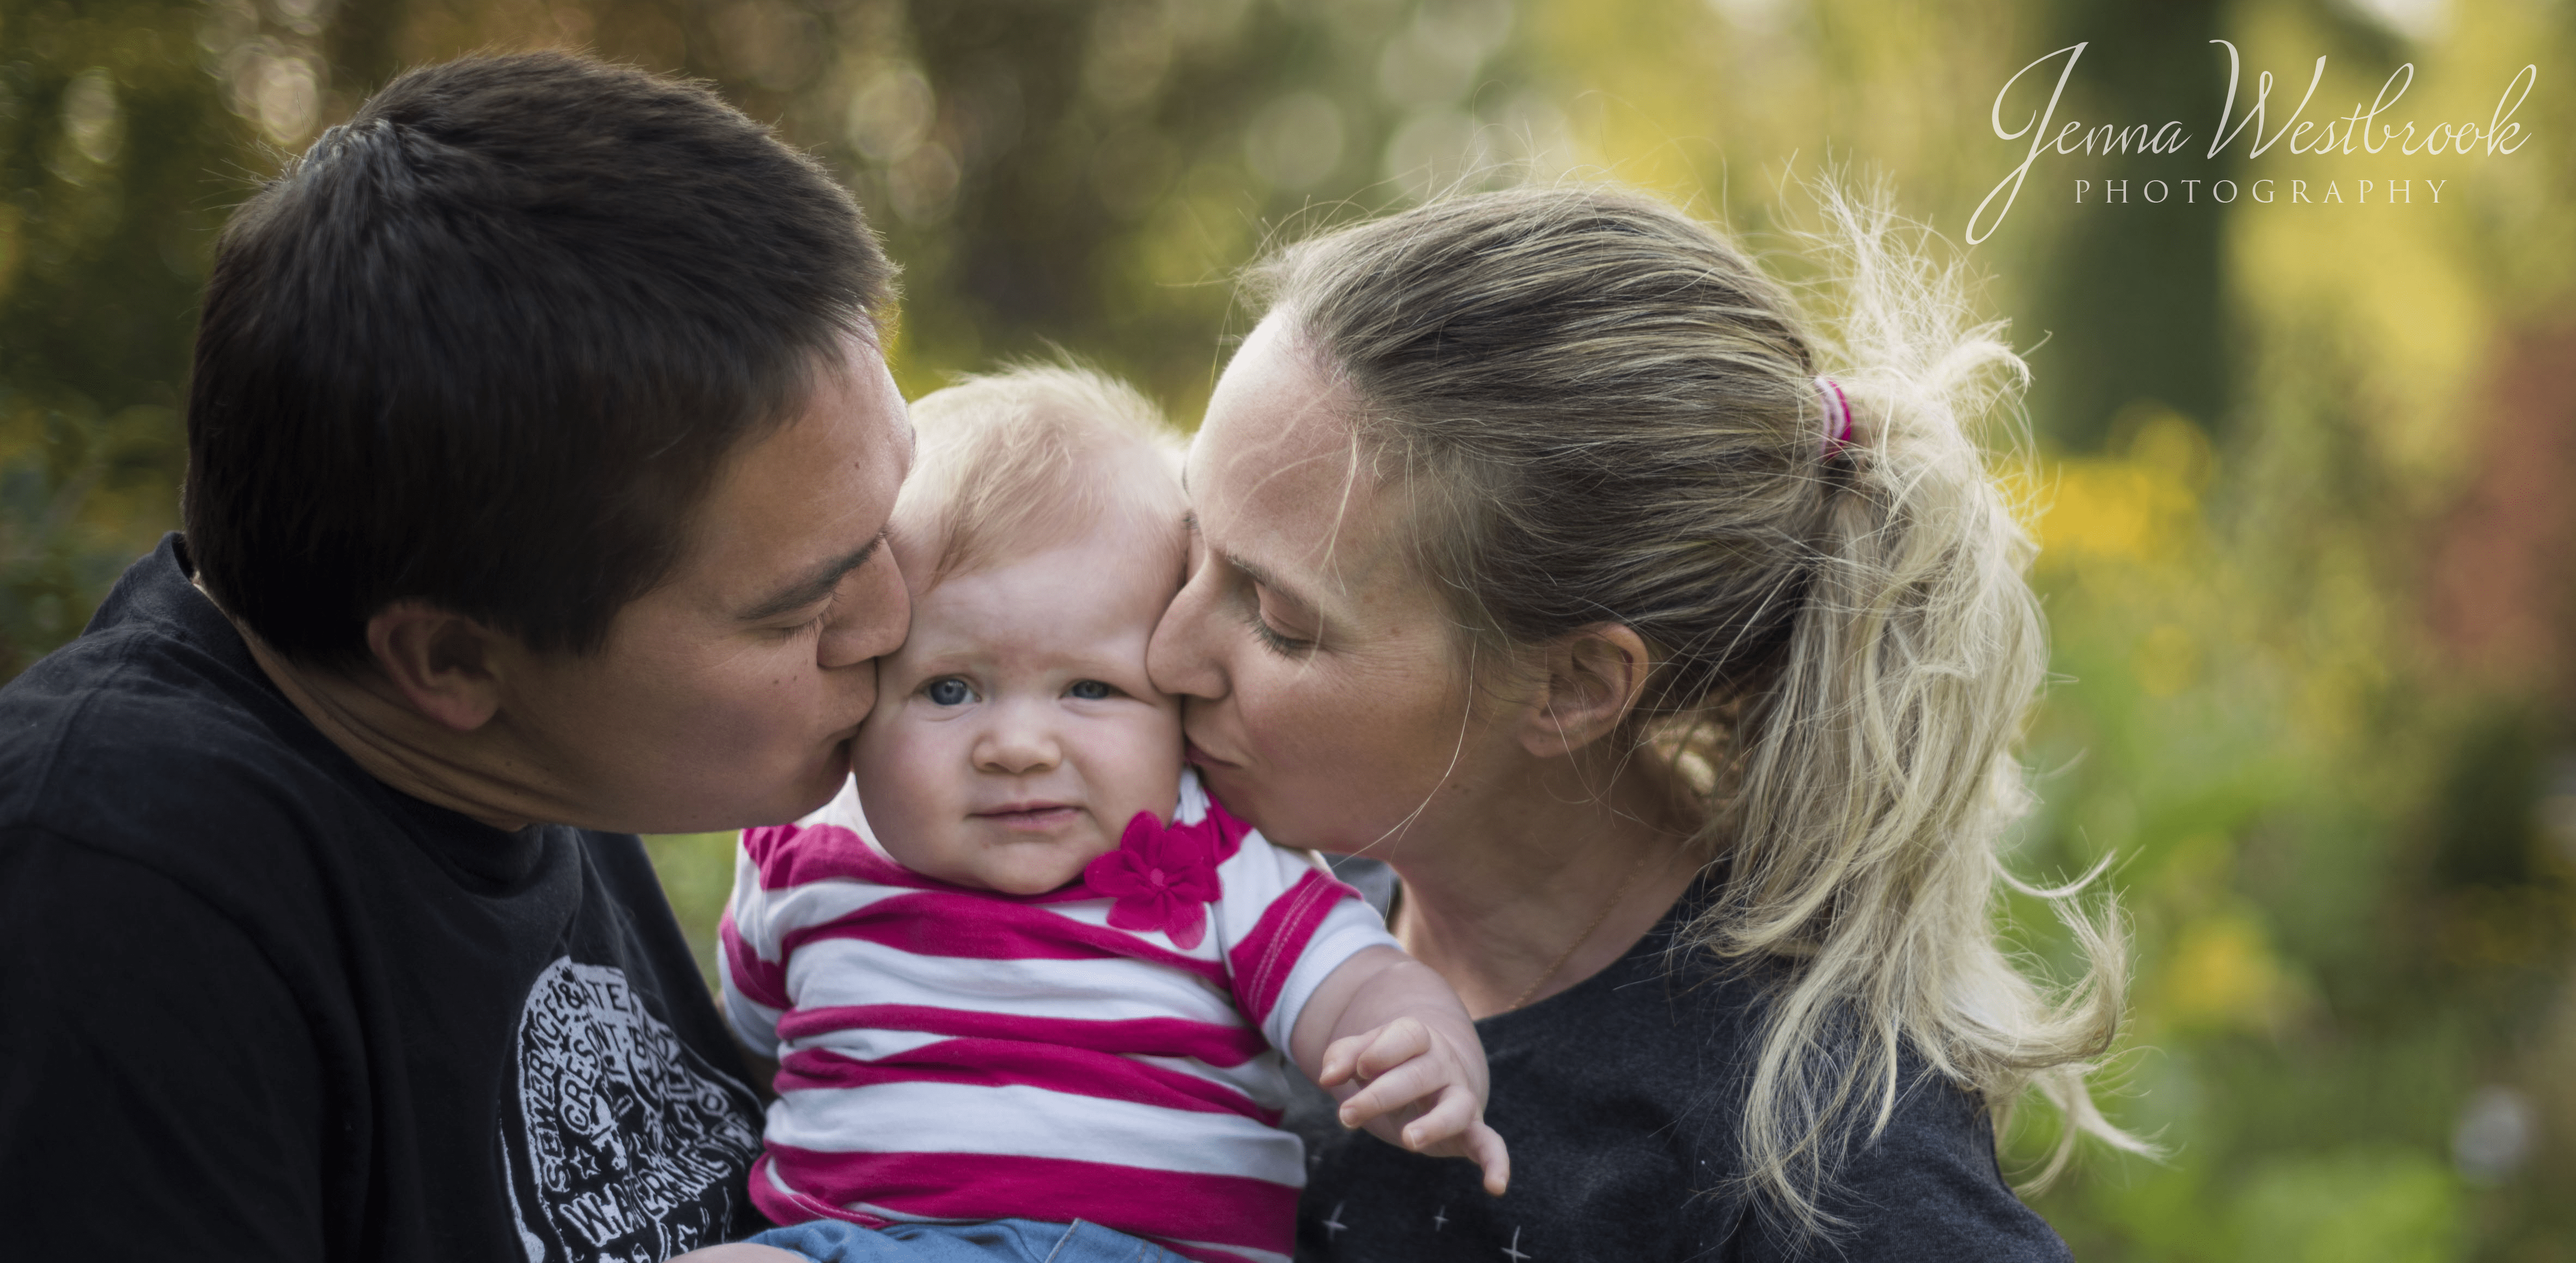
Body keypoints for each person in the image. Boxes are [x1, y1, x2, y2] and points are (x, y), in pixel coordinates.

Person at [0, 53, 913, 1260]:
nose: (896, 616)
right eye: (801, 607)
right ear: (452, 662)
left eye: (899, 519)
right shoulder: (117, 889)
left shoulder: (526, 740)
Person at [1146, 185, 2141, 1261]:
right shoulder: (1233, 912)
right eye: (1188, 537)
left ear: (1571, 687)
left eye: (1281, 619)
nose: (1165, 650)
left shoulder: (1818, 1173)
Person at [684, 368, 1507, 1263]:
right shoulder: (806, 849)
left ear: (1172, 710)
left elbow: (1356, 982)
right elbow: (757, 1048)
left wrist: (1418, 1052)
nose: (1020, 745)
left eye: (1091, 687)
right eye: (950, 688)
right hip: (857, 1242)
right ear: (863, 691)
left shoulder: (1212, 852)